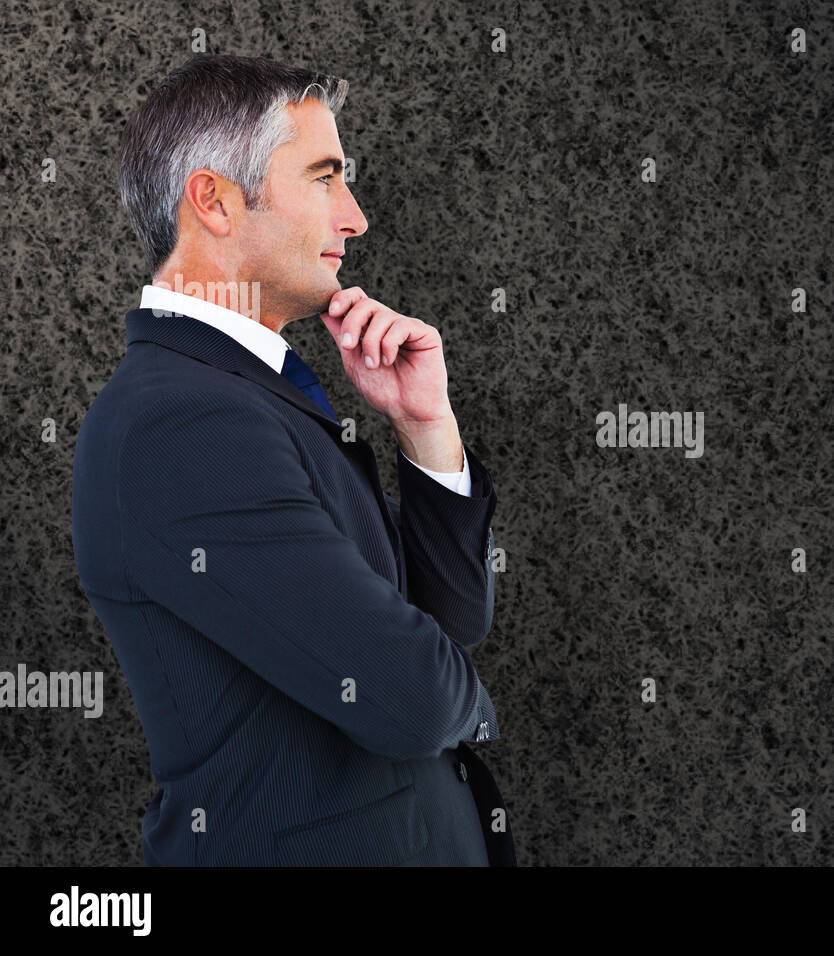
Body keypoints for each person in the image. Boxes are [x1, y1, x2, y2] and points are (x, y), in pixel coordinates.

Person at [71, 53, 514, 865]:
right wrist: (468, 699)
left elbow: (451, 623)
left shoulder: (243, 395)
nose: (355, 217)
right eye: (324, 177)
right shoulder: (182, 423)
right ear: (213, 200)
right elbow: (412, 699)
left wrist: (427, 429)